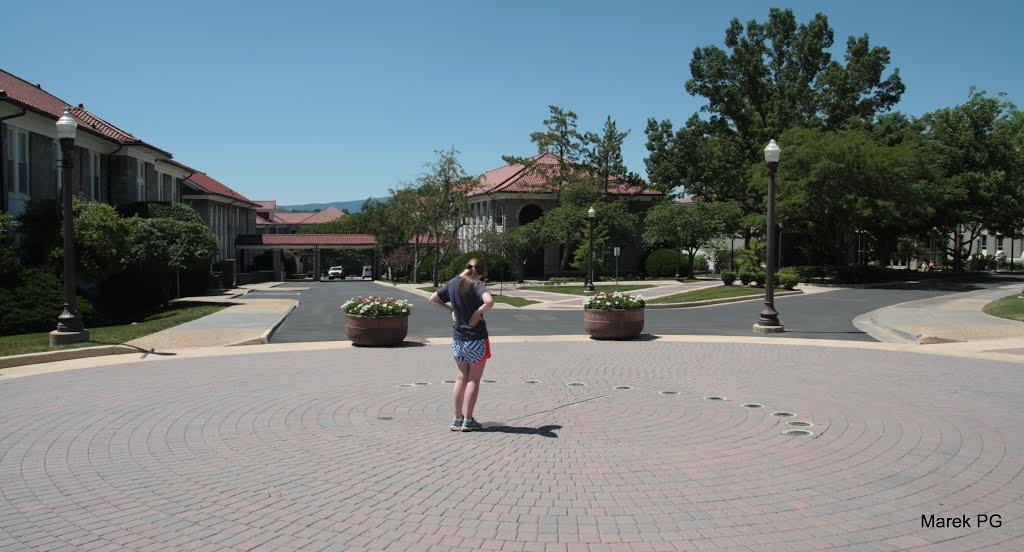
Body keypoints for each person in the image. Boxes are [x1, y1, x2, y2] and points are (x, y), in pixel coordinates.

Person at [429, 258, 495, 432]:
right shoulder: (476, 284)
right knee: (473, 379)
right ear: (480, 272)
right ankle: (468, 420)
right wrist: (477, 312)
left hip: (459, 340)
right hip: (477, 339)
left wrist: (451, 310)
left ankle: (456, 419)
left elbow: (433, 299)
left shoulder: (451, 283)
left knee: (460, 379)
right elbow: (489, 301)